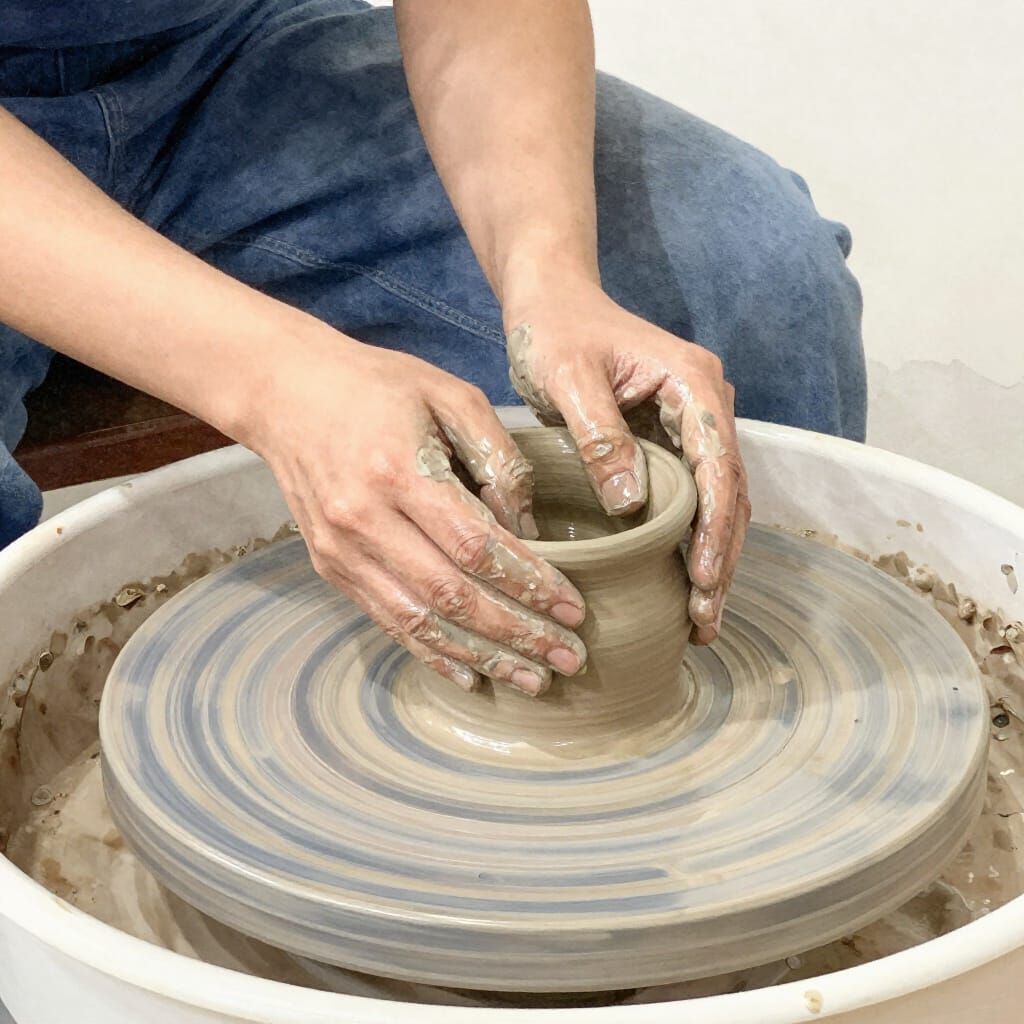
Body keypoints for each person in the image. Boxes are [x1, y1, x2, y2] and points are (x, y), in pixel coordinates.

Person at [0, 0, 865, 697]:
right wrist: (279, 378)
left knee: (752, 280)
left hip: (220, 48)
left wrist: (550, 273)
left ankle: (751, 741)